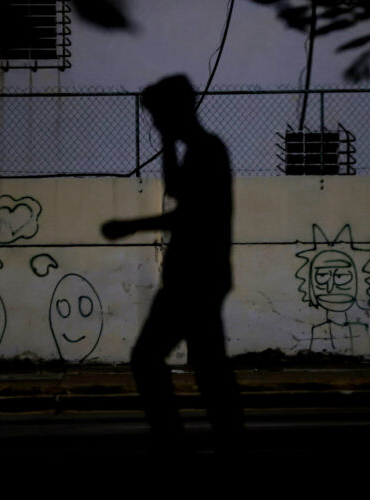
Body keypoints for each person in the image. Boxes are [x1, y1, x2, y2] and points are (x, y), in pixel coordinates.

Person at [101, 74, 243, 455]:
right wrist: (165, 142)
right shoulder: (198, 150)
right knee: (209, 365)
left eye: (158, 115)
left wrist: (129, 226)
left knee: (150, 358)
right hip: (200, 278)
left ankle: (176, 440)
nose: (154, 122)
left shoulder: (207, 150)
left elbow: (191, 213)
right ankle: (224, 439)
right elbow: (177, 190)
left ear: (174, 111)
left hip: (194, 279)